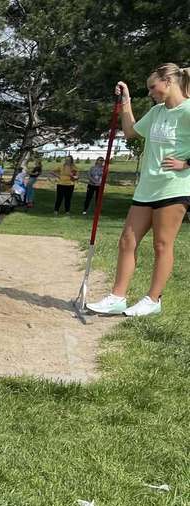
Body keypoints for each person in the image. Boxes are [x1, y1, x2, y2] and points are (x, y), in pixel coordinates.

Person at [86, 64, 190, 318]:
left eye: (153, 87)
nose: (151, 93)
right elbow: (131, 131)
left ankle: (153, 300)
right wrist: (126, 101)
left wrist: (187, 163)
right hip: (147, 187)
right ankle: (117, 298)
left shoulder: (188, 110)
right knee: (127, 241)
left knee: (162, 244)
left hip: (174, 185)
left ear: (168, 82)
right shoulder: (156, 112)